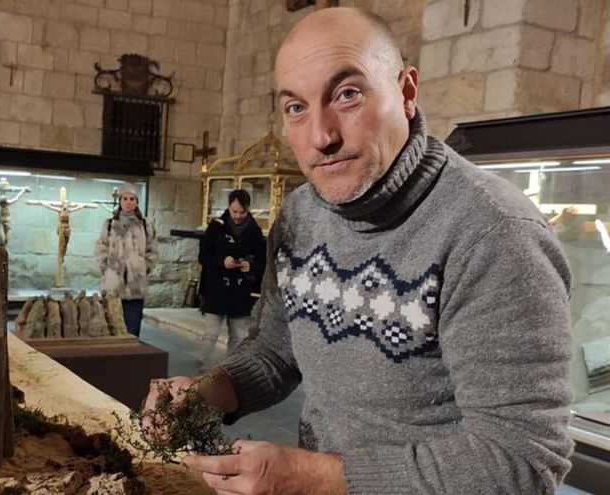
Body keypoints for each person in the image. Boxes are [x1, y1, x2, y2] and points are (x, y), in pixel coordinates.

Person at [143, 7, 573, 495]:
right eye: (296, 108)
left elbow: (520, 460)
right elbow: (276, 351)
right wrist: (211, 392)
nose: (322, 137)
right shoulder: (301, 214)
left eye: (347, 95)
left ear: (407, 93)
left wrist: (310, 477)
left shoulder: (492, 234)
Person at [197, 189, 266, 366]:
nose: (237, 216)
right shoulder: (216, 227)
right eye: (234, 211)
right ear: (228, 207)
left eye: (242, 212)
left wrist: (250, 266)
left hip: (240, 290)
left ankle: (231, 372)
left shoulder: (254, 231)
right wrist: (222, 261)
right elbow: (203, 256)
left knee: (240, 335)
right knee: (210, 334)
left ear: (248, 209)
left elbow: (262, 260)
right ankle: (201, 369)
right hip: (217, 288)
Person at [94, 183, 159, 337]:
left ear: (136, 202)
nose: (128, 202)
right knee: (111, 326)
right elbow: (100, 247)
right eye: (125, 198)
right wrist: (106, 266)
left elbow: (153, 249)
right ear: (121, 201)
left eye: (132, 199)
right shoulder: (109, 224)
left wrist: (144, 267)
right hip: (113, 285)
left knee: (132, 328)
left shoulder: (145, 225)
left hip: (135, 285)